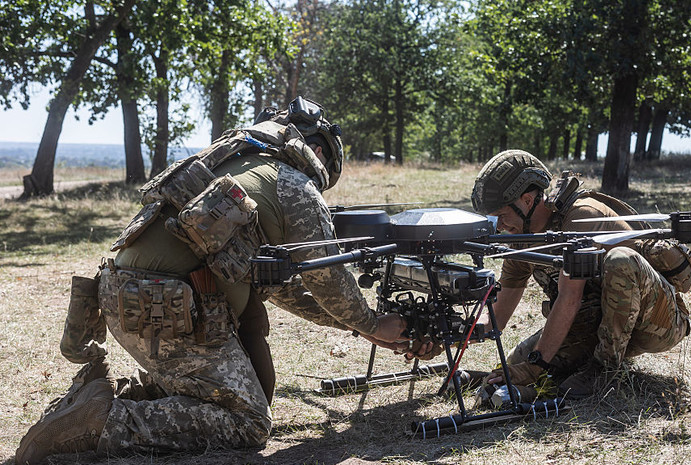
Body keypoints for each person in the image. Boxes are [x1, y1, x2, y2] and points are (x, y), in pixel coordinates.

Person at [15, 96, 409, 464]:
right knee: (249, 424)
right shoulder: (296, 186)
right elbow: (328, 276)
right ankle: (101, 422)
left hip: (132, 297)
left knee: (212, 389)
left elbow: (286, 287)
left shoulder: (234, 163)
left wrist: (360, 327)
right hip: (167, 306)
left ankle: (96, 400)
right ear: (319, 152)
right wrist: (371, 323)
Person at [470, 150, 691, 401]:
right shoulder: (520, 239)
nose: (499, 226)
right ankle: (573, 368)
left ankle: (604, 369)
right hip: (594, 323)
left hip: (657, 322)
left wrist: (535, 368)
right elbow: (496, 318)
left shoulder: (580, 217)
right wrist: (446, 334)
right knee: (515, 361)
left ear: (526, 200)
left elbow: (570, 298)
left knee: (620, 259)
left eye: (501, 216)